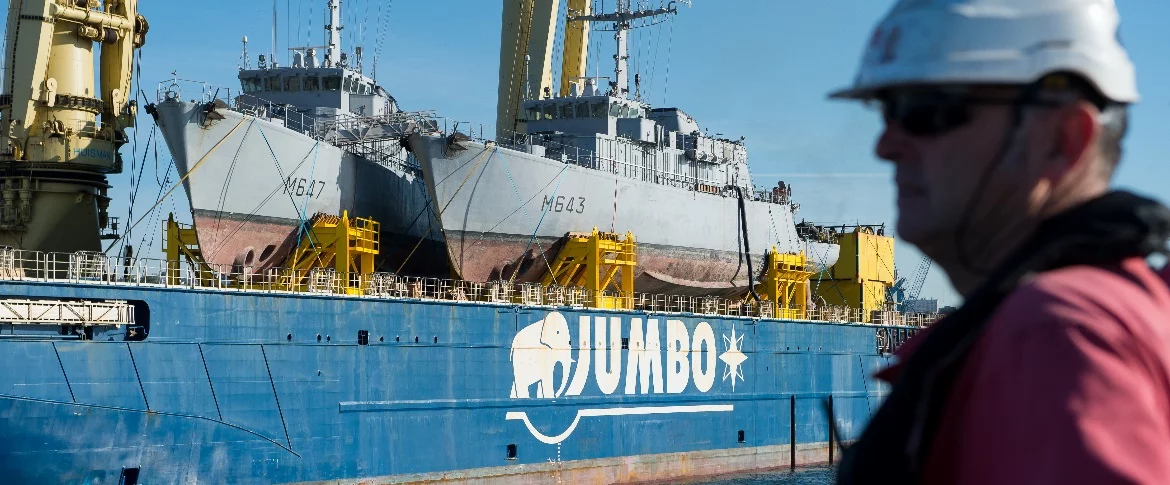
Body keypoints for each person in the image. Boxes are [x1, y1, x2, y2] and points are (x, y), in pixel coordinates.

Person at [829, 1, 1170, 484]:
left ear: (1062, 139)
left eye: (926, 111)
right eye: (887, 109)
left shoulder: (1057, 334)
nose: (885, 146)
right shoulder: (1105, 313)